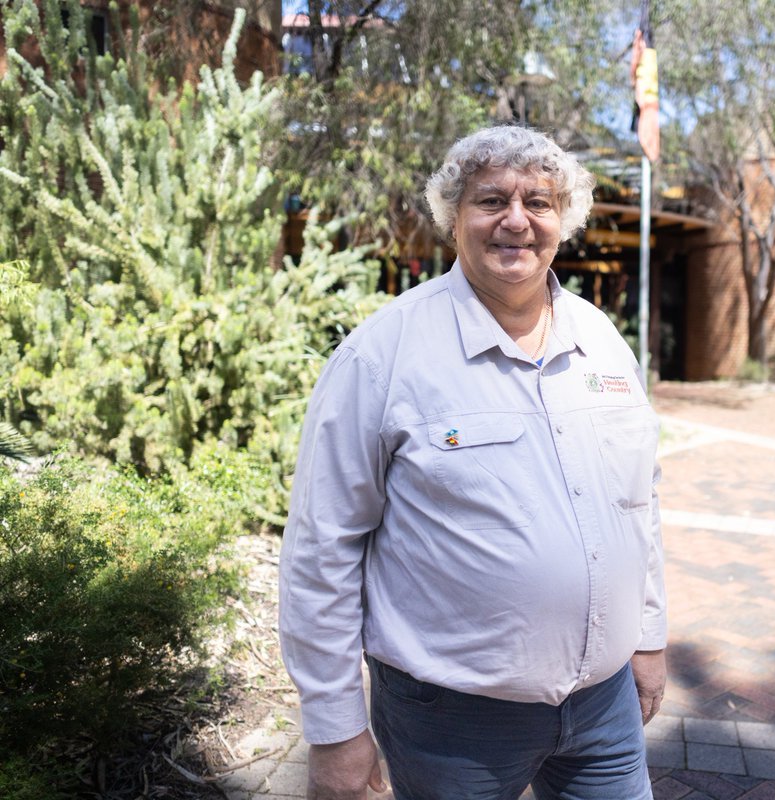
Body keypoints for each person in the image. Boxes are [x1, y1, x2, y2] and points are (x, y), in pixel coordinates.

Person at [279, 125, 667, 800]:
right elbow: (323, 546)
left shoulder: (602, 342)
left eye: (538, 203)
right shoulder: (383, 354)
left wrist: (650, 638)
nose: (516, 220)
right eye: (491, 200)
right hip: (450, 725)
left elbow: (639, 506)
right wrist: (335, 729)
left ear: (563, 221)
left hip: (604, 707)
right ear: (453, 219)